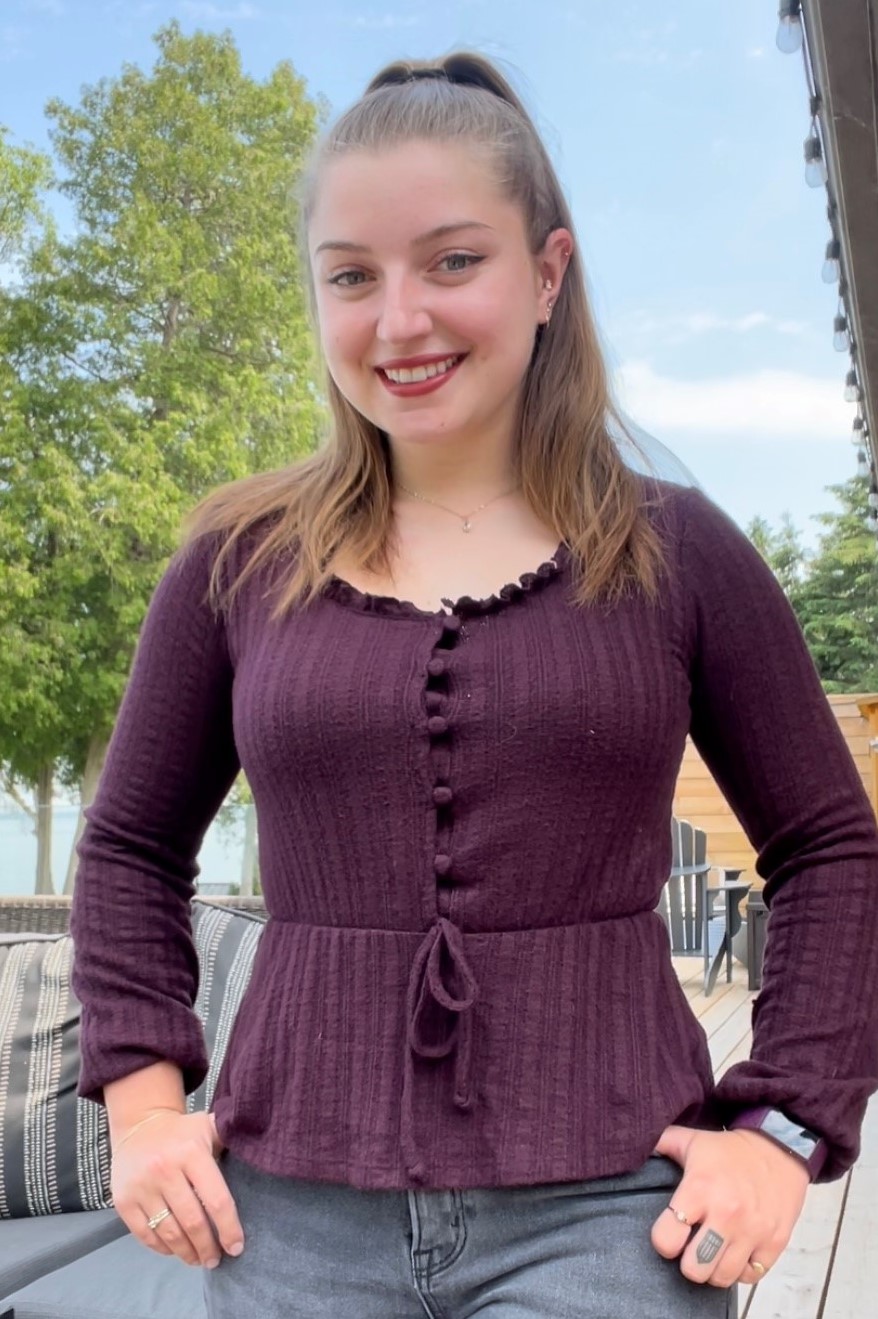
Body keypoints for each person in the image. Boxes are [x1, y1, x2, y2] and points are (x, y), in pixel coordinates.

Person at [70, 52, 878, 1319]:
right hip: (284, 1214)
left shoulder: (678, 553)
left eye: (453, 261)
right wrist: (141, 1102)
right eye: (351, 275)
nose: (399, 320)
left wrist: (784, 1125)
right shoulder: (236, 564)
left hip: (617, 1214)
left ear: (546, 272)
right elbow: (125, 844)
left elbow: (830, 847)